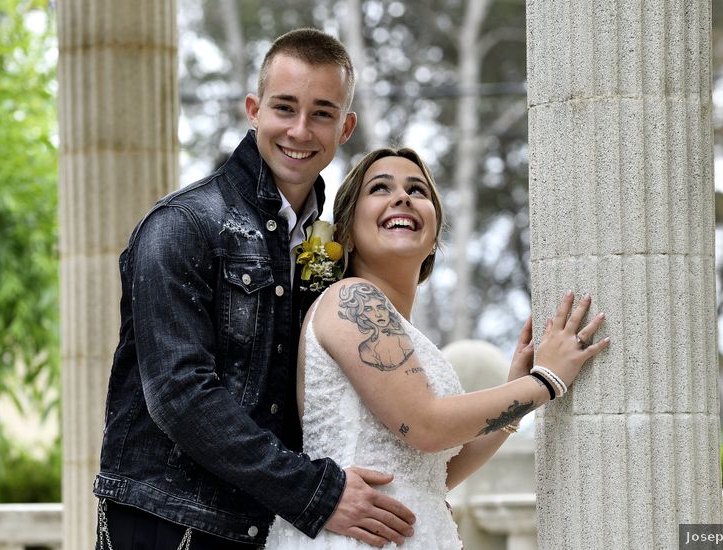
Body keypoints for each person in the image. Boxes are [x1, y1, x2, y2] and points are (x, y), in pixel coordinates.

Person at [92, 30, 416, 549]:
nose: (300, 130)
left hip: (266, 526)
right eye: (284, 108)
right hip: (172, 523)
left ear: (346, 126)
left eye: (322, 114)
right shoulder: (184, 225)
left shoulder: (323, 244)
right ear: (253, 110)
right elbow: (179, 394)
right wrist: (315, 492)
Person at [263, 148, 611, 549]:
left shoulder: (406, 331)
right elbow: (425, 426)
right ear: (344, 234)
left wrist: (516, 400)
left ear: (433, 242)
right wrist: (545, 382)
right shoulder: (353, 300)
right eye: (380, 188)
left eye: (417, 190)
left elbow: (431, 472)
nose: (402, 197)